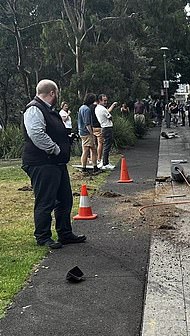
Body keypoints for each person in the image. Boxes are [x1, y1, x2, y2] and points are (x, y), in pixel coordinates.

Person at [21, 79, 87, 249]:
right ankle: (43, 237)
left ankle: (65, 233)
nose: (57, 96)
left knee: (65, 199)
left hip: (55, 163)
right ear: (52, 93)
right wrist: (55, 149)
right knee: (45, 201)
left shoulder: (49, 111)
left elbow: (51, 130)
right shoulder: (34, 109)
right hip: (42, 162)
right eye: (56, 93)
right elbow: (36, 133)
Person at [95, 94, 118, 169]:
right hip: (107, 127)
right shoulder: (102, 109)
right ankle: (105, 163)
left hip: (103, 127)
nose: (105, 102)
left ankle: (104, 161)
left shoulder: (97, 108)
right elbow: (110, 117)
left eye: (106, 100)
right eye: (104, 100)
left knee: (106, 145)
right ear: (100, 101)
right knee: (107, 146)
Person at [77, 93, 99, 173]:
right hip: (86, 132)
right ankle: (87, 167)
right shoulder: (87, 109)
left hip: (81, 131)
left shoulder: (81, 108)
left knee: (90, 149)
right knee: (89, 150)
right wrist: (91, 133)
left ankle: (91, 166)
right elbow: (87, 123)